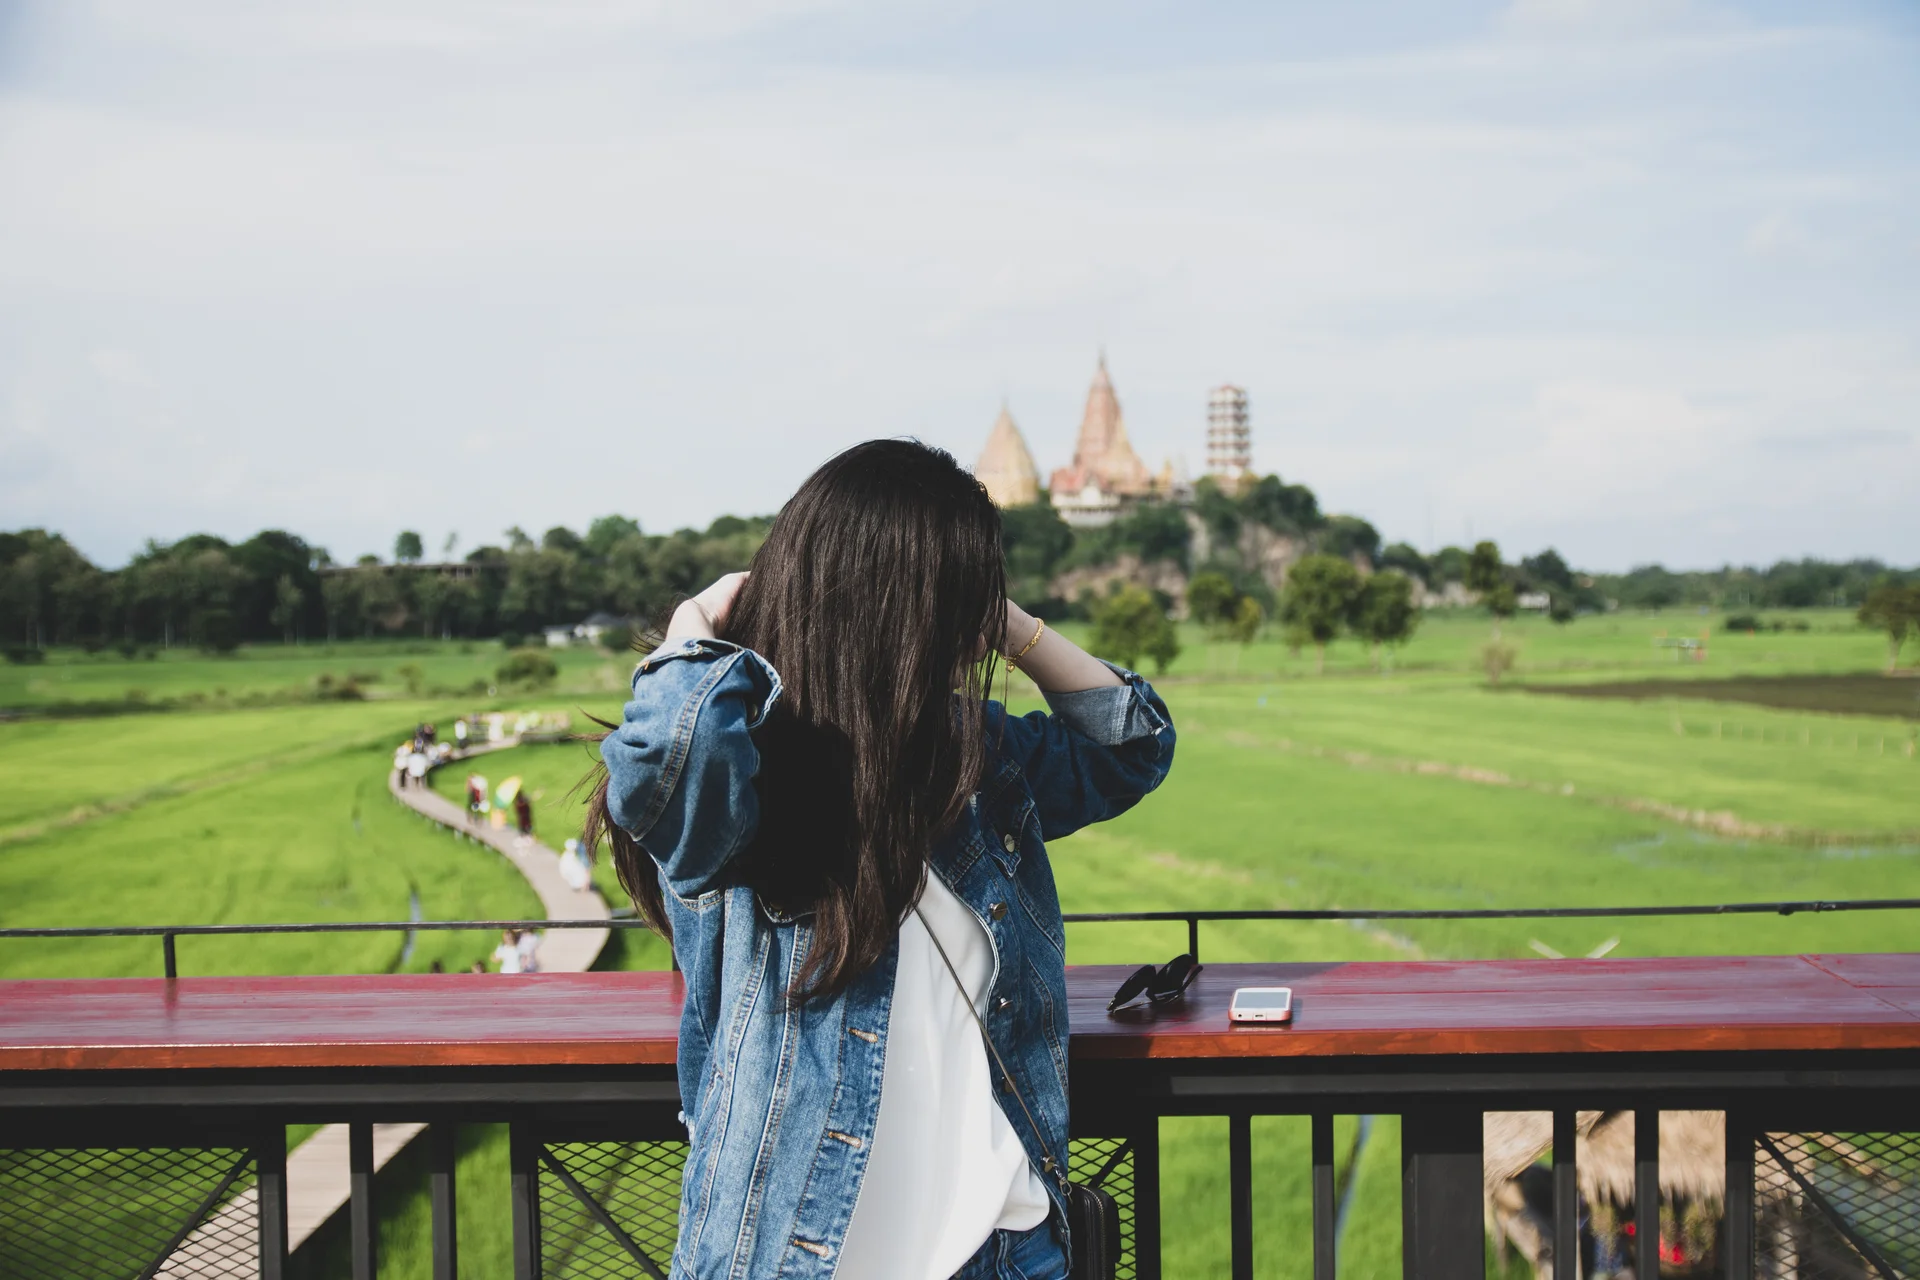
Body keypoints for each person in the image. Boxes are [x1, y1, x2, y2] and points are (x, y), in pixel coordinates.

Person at [583, 441, 1175, 1280]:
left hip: (1005, 1254)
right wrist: (691, 636)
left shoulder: (973, 758)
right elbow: (665, 766)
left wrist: (1014, 627)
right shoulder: (744, 773)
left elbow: (1132, 747)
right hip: (791, 1260)